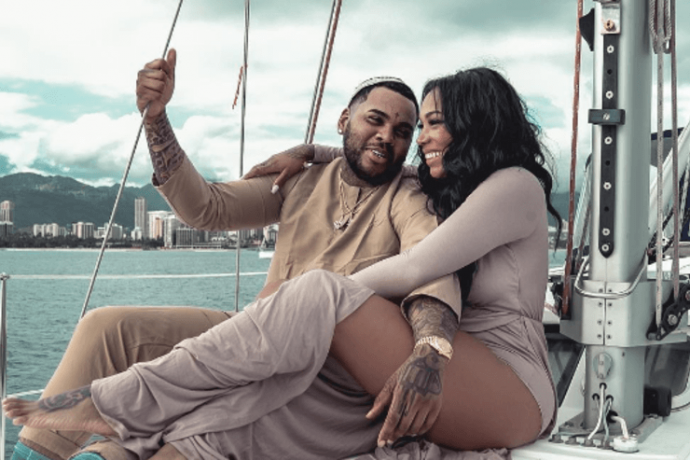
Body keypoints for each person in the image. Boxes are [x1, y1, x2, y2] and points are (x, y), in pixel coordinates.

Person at [5, 63, 562, 460]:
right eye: (380, 122)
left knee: (285, 337)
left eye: (414, 128)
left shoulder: (457, 190)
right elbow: (205, 208)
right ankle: (47, 449)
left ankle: (115, 408)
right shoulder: (322, 181)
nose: (403, 140)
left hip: (489, 372)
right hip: (267, 329)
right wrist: (160, 121)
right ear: (344, 120)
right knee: (106, 328)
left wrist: (319, 298)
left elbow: (423, 268)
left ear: (473, 122)